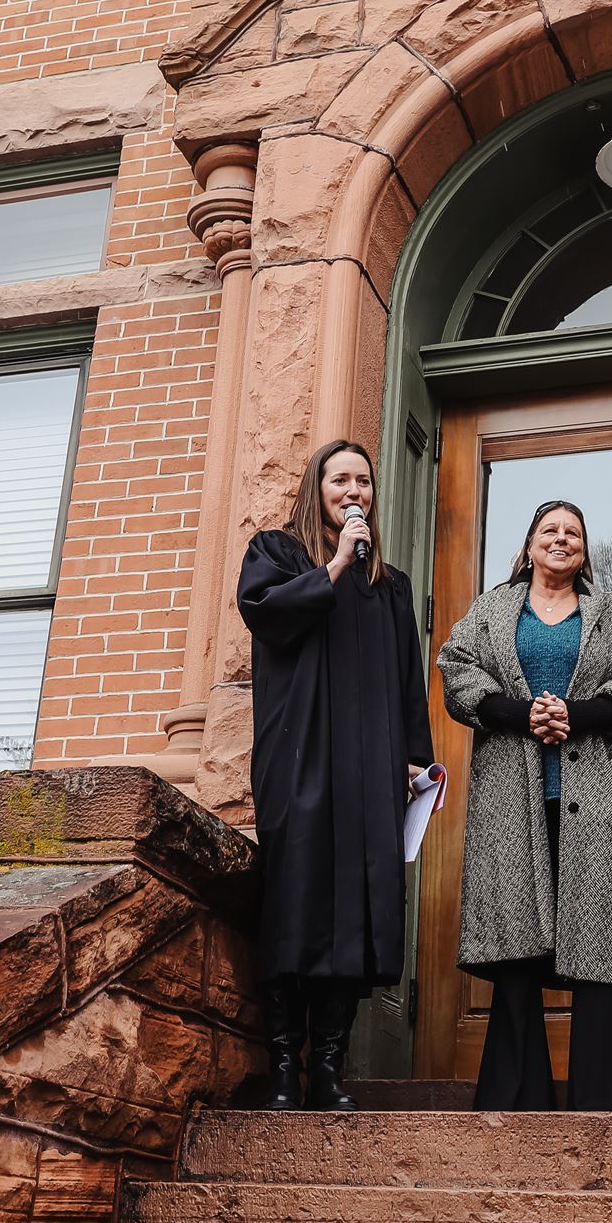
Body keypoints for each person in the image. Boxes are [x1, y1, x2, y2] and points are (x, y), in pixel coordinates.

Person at [438, 500, 612, 1112]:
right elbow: (455, 672)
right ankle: (517, 1095)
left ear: (585, 550)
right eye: (550, 531)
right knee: (518, 939)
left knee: (596, 937)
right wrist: (521, 715)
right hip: (512, 798)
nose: (561, 540)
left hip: (591, 795)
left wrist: (578, 715)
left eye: (573, 533)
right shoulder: (491, 609)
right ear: (530, 544)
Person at [235, 439, 435, 1112]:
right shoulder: (276, 553)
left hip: (370, 772)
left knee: (358, 913)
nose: (355, 490)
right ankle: (284, 1068)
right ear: (316, 487)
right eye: (340, 478)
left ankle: (328, 1067)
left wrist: (414, 756)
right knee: (296, 903)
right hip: (300, 761)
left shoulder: (391, 586)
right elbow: (264, 613)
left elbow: (409, 679)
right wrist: (339, 563)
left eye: (364, 481)